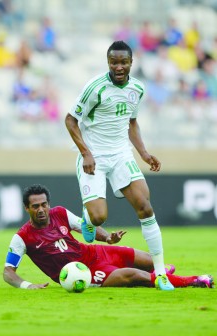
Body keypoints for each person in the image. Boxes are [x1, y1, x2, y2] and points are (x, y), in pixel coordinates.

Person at [65, 40, 176, 291]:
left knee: (145, 207)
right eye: (114, 62)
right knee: (99, 216)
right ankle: (88, 219)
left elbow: (132, 122)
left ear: (131, 63)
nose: (119, 66)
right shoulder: (95, 87)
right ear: (108, 62)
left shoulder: (137, 88)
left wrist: (144, 153)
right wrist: (86, 152)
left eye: (123, 62)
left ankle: (160, 274)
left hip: (121, 155)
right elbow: (70, 120)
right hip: (94, 156)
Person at [3, 184, 214, 290]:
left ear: (48, 203)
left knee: (151, 260)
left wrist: (107, 238)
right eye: (35, 206)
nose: (41, 209)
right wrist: (28, 286)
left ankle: (161, 270)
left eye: (43, 204)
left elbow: (88, 227)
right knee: (135, 276)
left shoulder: (59, 213)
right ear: (27, 208)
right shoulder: (22, 237)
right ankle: (195, 281)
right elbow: (8, 272)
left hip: (95, 252)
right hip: (83, 273)